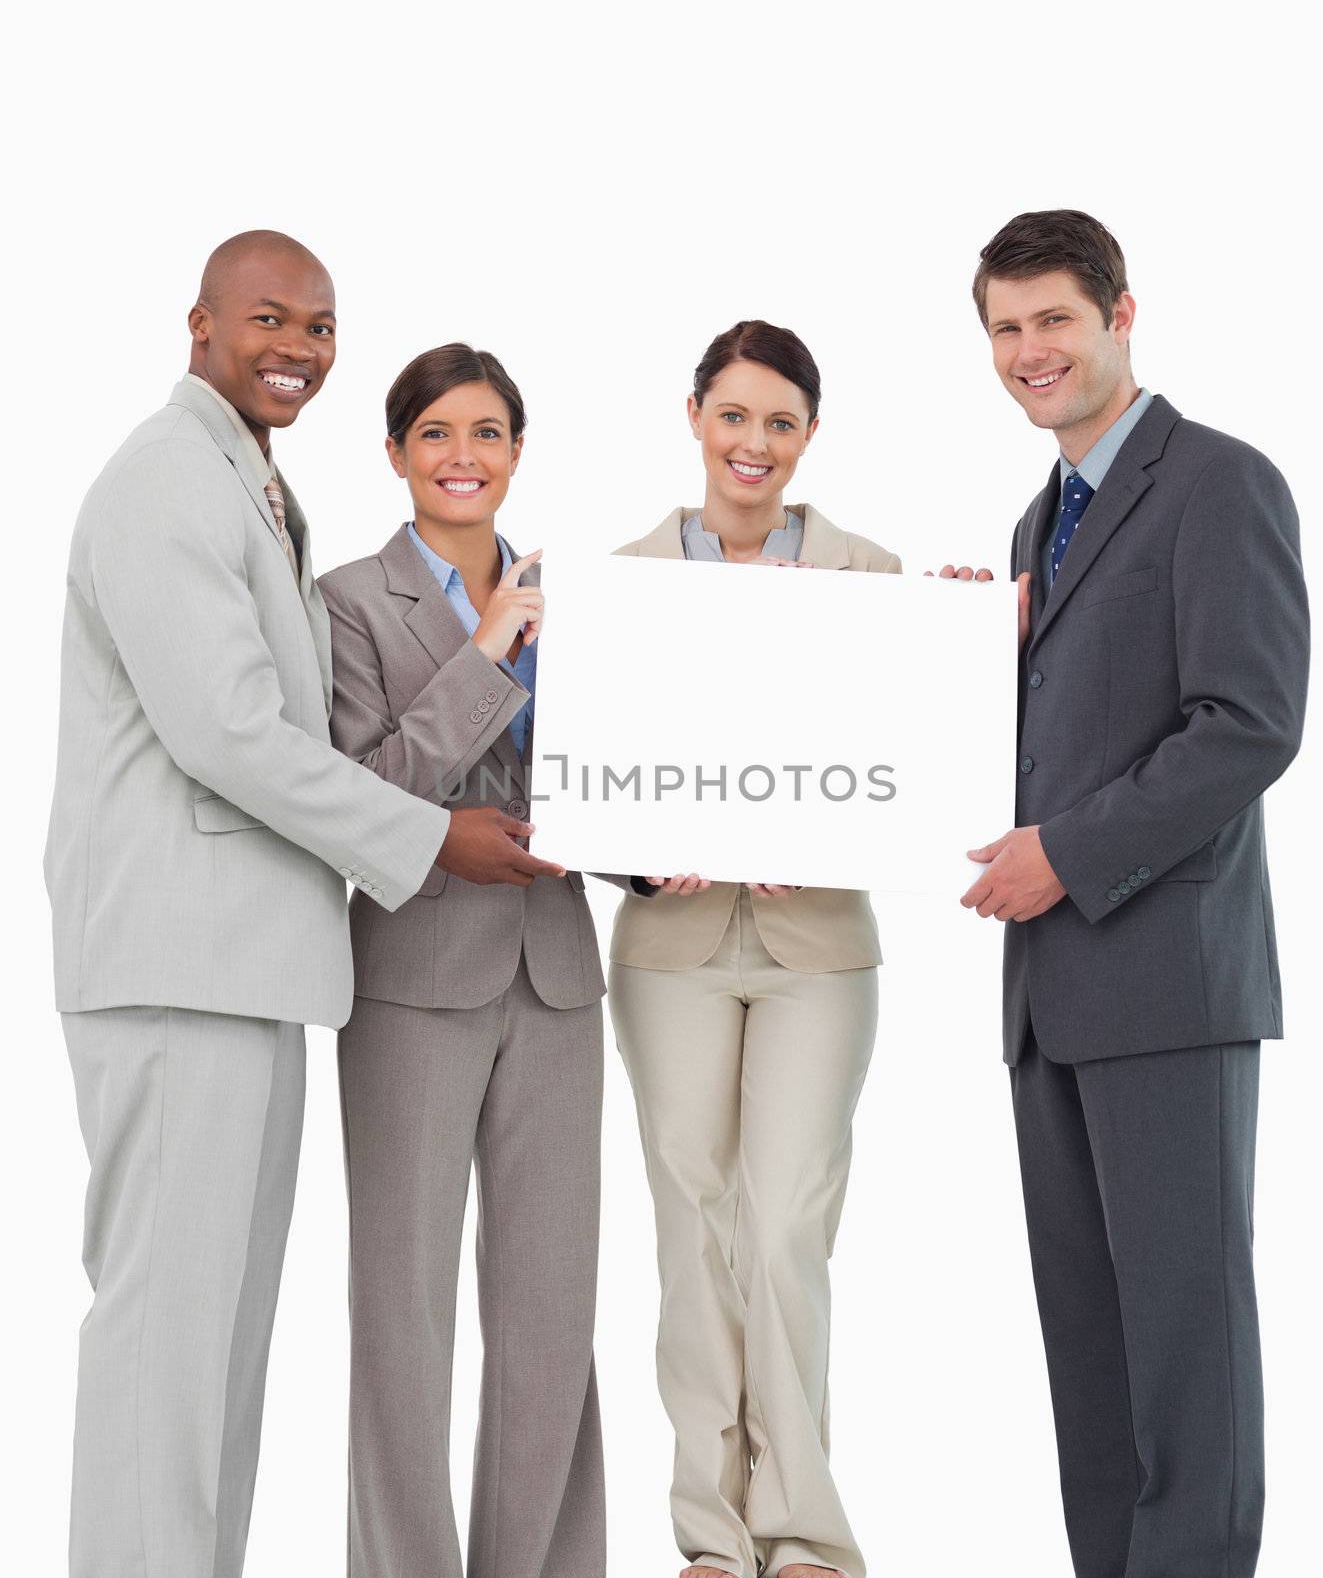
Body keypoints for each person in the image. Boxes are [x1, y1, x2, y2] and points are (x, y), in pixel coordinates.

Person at [43, 237, 559, 1578]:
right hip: (180, 966)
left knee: (213, 1348)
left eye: (320, 326)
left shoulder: (253, 484)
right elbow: (228, 732)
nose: (297, 346)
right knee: (167, 1341)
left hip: (253, 967)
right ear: (200, 322)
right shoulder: (166, 479)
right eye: (268, 318)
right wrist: (424, 834)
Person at [949, 209, 1308, 1578]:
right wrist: (954, 660)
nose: (1027, 350)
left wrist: (1070, 857)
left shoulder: (1217, 483)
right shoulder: (1035, 521)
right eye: (1003, 327)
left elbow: (1244, 725)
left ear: (1118, 318)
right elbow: (1055, 732)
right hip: (1050, 996)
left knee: (1181, 1359)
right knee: (1090, 1368)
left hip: (1163, 979)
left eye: (1052, 319)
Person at [317, 343, 653, 1578]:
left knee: (552, 1315)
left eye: (490, 434)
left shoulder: (586, 596)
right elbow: (359, 790)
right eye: (439, 434)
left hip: (558, 977)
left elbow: (627, 772)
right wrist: (488, 653)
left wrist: (660, 851)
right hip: (411, 979)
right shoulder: (347, 600)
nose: (465, 458)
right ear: (398, 451)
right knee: (402, 1309)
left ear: (518, 452)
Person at [610, 320, 898, 1578]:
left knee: (784, 1225)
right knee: (691, 1226)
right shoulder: (616, 578)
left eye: (780, 421)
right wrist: (636, 851)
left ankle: (804, 1530)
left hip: (816, 946)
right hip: (671, 943)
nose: (754, 443)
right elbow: (586, 778)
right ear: (694, 416)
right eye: (734, 415)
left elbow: (912, 770)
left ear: (809, 436)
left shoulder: (874, 579)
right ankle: (711, 1539)